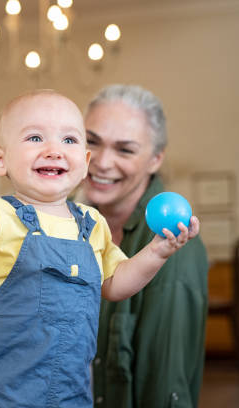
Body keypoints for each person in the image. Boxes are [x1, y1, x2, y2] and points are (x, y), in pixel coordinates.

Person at [0, 89, 200, 407]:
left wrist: (156, 252)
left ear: (84, 163)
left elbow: (116, 283)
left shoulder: (92, 223)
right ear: (1, 160)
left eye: (69, 140)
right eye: (35, 138)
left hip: (70, 395)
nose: (54, 150)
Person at [82, 84, 208, 408]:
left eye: (125, 150)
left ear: (155, 159)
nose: (101, 161)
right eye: (91, 141)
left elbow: (164, 388)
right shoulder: (70, 222)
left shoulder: (174, 246)